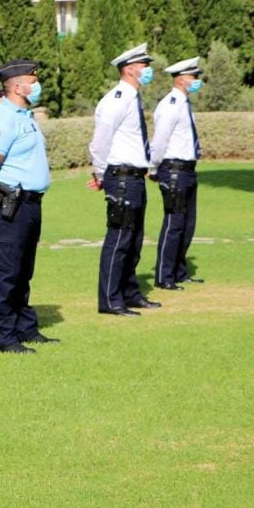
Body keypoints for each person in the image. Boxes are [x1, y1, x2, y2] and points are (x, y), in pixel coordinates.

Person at [0, 59, 57, 354]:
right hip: (10, 203)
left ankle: (25, 326)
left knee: (23, 270)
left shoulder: (24, 115)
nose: (37, 84)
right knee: (6, 271)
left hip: (30, 204)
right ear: (18, 86)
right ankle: (5, 335)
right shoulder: (3, 118)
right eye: (33, 80)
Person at [87, 43, 162, 316]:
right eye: (144, 66)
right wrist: (100, 174)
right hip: (121, 177)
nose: (148, 71)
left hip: (134, 178)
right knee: (119, 239)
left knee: (134, 240)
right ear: (130, 69)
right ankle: (110, 299)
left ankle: (130, 293)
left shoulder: (131, 98)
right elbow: (100, 142)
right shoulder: (117, 99)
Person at [150, 56, 205, 291]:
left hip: (187, 170)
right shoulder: (171, 104)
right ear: (182, 80)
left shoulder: (184, 104)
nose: (197, 82)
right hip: (173, 169)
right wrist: (153, 167)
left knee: (187, 224)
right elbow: (160, 139)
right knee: (174, 223)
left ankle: (179, 272)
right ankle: (165, 275)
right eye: (194, 78)